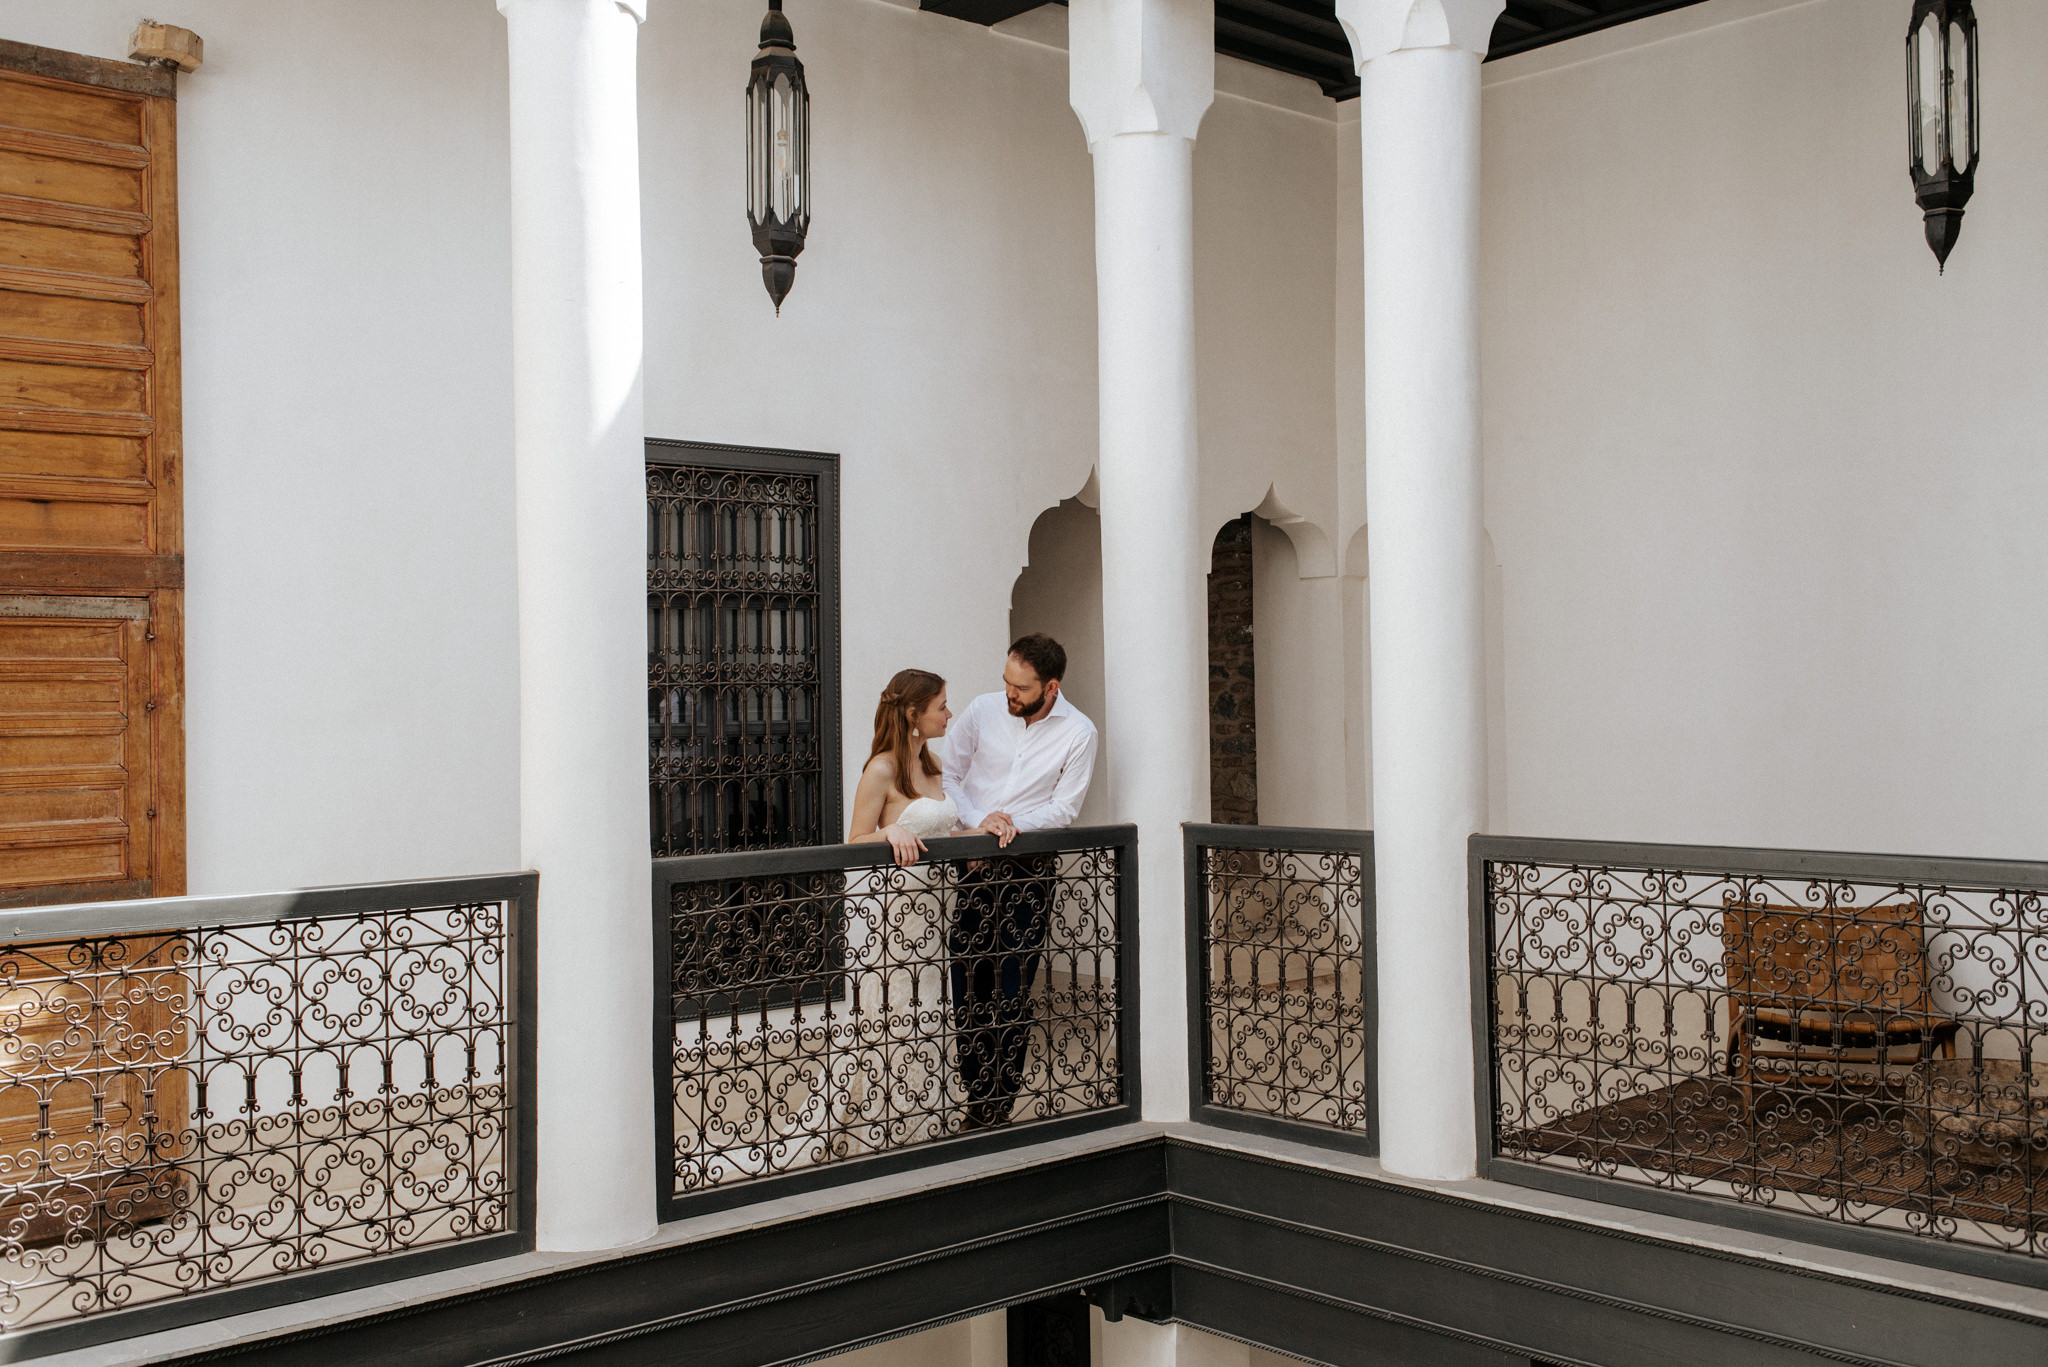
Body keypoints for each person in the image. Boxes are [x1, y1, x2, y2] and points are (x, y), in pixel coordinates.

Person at [940, 633, 1099, 1130]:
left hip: (1027, 874)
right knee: (966, 980)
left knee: (1011, 988)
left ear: (1050, 688)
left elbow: (1065, 808)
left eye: (1021, 688)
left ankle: (998, 1103)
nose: (1009, 693)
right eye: (1007, 681)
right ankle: (974, 1093)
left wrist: (1011, 825)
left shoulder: (1079, 732)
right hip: (972, 866)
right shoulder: (982, 711)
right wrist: (978, 824)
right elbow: (948, 775)